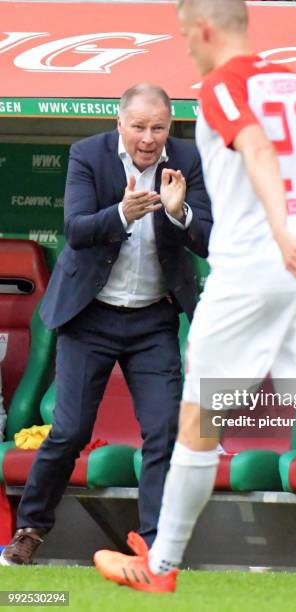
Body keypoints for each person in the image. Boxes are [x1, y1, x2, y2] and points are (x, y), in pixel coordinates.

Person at [94, 0, 296, 601]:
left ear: (209, 29)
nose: (187, 47)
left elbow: (259, 152)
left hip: (253, 268)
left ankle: (161, 567)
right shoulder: (294, 86)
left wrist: (276, 228)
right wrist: (295, 226)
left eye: (188, 35)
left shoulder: (220, 85)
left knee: (198, 418)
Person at [0, 83, 212, 566]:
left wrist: (180, 214)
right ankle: (30, 529)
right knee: (69, 430)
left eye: (158, 128)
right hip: (89, 315)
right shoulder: (87, 155)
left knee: (162, 430)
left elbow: (210, 238)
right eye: (138, 127)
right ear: (120, 123)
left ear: (169, 126)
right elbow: (75, 229)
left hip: (153, 319)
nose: (148, 138)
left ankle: (158, 549)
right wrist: (121, 213)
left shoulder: (188, 159)